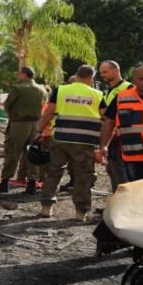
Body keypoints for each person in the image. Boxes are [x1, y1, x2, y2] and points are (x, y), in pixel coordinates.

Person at [36, 65, 104, 222]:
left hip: (61, 138)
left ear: (77, 75)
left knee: (54, 171)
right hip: (85, 141)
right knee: (84, 175)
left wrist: (39, 130)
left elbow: (49, 112)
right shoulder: (97, 94)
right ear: (91, 77)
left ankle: (47, 208)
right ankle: (81, 212)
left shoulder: (60, 90)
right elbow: (106, 117)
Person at [0, 66, 48, 194]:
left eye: (19, 73)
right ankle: (31, 183)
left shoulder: (18, 88)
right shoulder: (42, 90)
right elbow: (44, 106)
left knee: (12, 152)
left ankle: (5, 182)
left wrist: (12, 116)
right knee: (33, 154)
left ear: (24, 74)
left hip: (19, 124)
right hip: (36, 124)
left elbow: (7, 104)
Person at [98, 60, 133, 190]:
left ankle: (124, 205)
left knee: (122, 174)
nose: (102, 75)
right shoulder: (108, 90)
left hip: (121, 138)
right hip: (110, 138)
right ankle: (115, 202)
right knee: (112, 172)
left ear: (116, 70)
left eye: (105, 72)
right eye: (101, 72)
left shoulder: (129, 88)